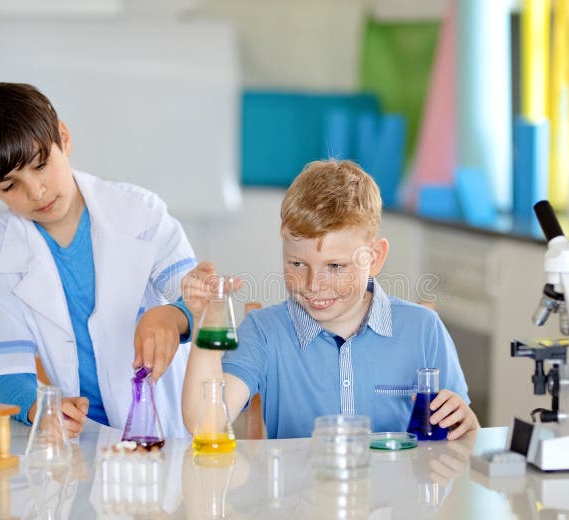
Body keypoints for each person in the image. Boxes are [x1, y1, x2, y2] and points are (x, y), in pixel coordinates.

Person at [0, 83, 196, 437]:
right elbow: (8, 373)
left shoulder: (140, 214)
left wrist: (172, 316)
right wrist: (41, 408)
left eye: (40, 165)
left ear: (62, 138)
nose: (36, 191)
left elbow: (198, 303)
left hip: (164, 429)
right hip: (84, 439)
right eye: (9, 187)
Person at [175, 159, 478, 439]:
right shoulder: (264, 332)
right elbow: (205, 424)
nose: (313, 285)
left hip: (396, 497)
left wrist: (467, 425)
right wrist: (206, 323)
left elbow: (462, 436)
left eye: (335, 266)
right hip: (296, 497)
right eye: (297, 264)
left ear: (374, 257)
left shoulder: (422, 330)